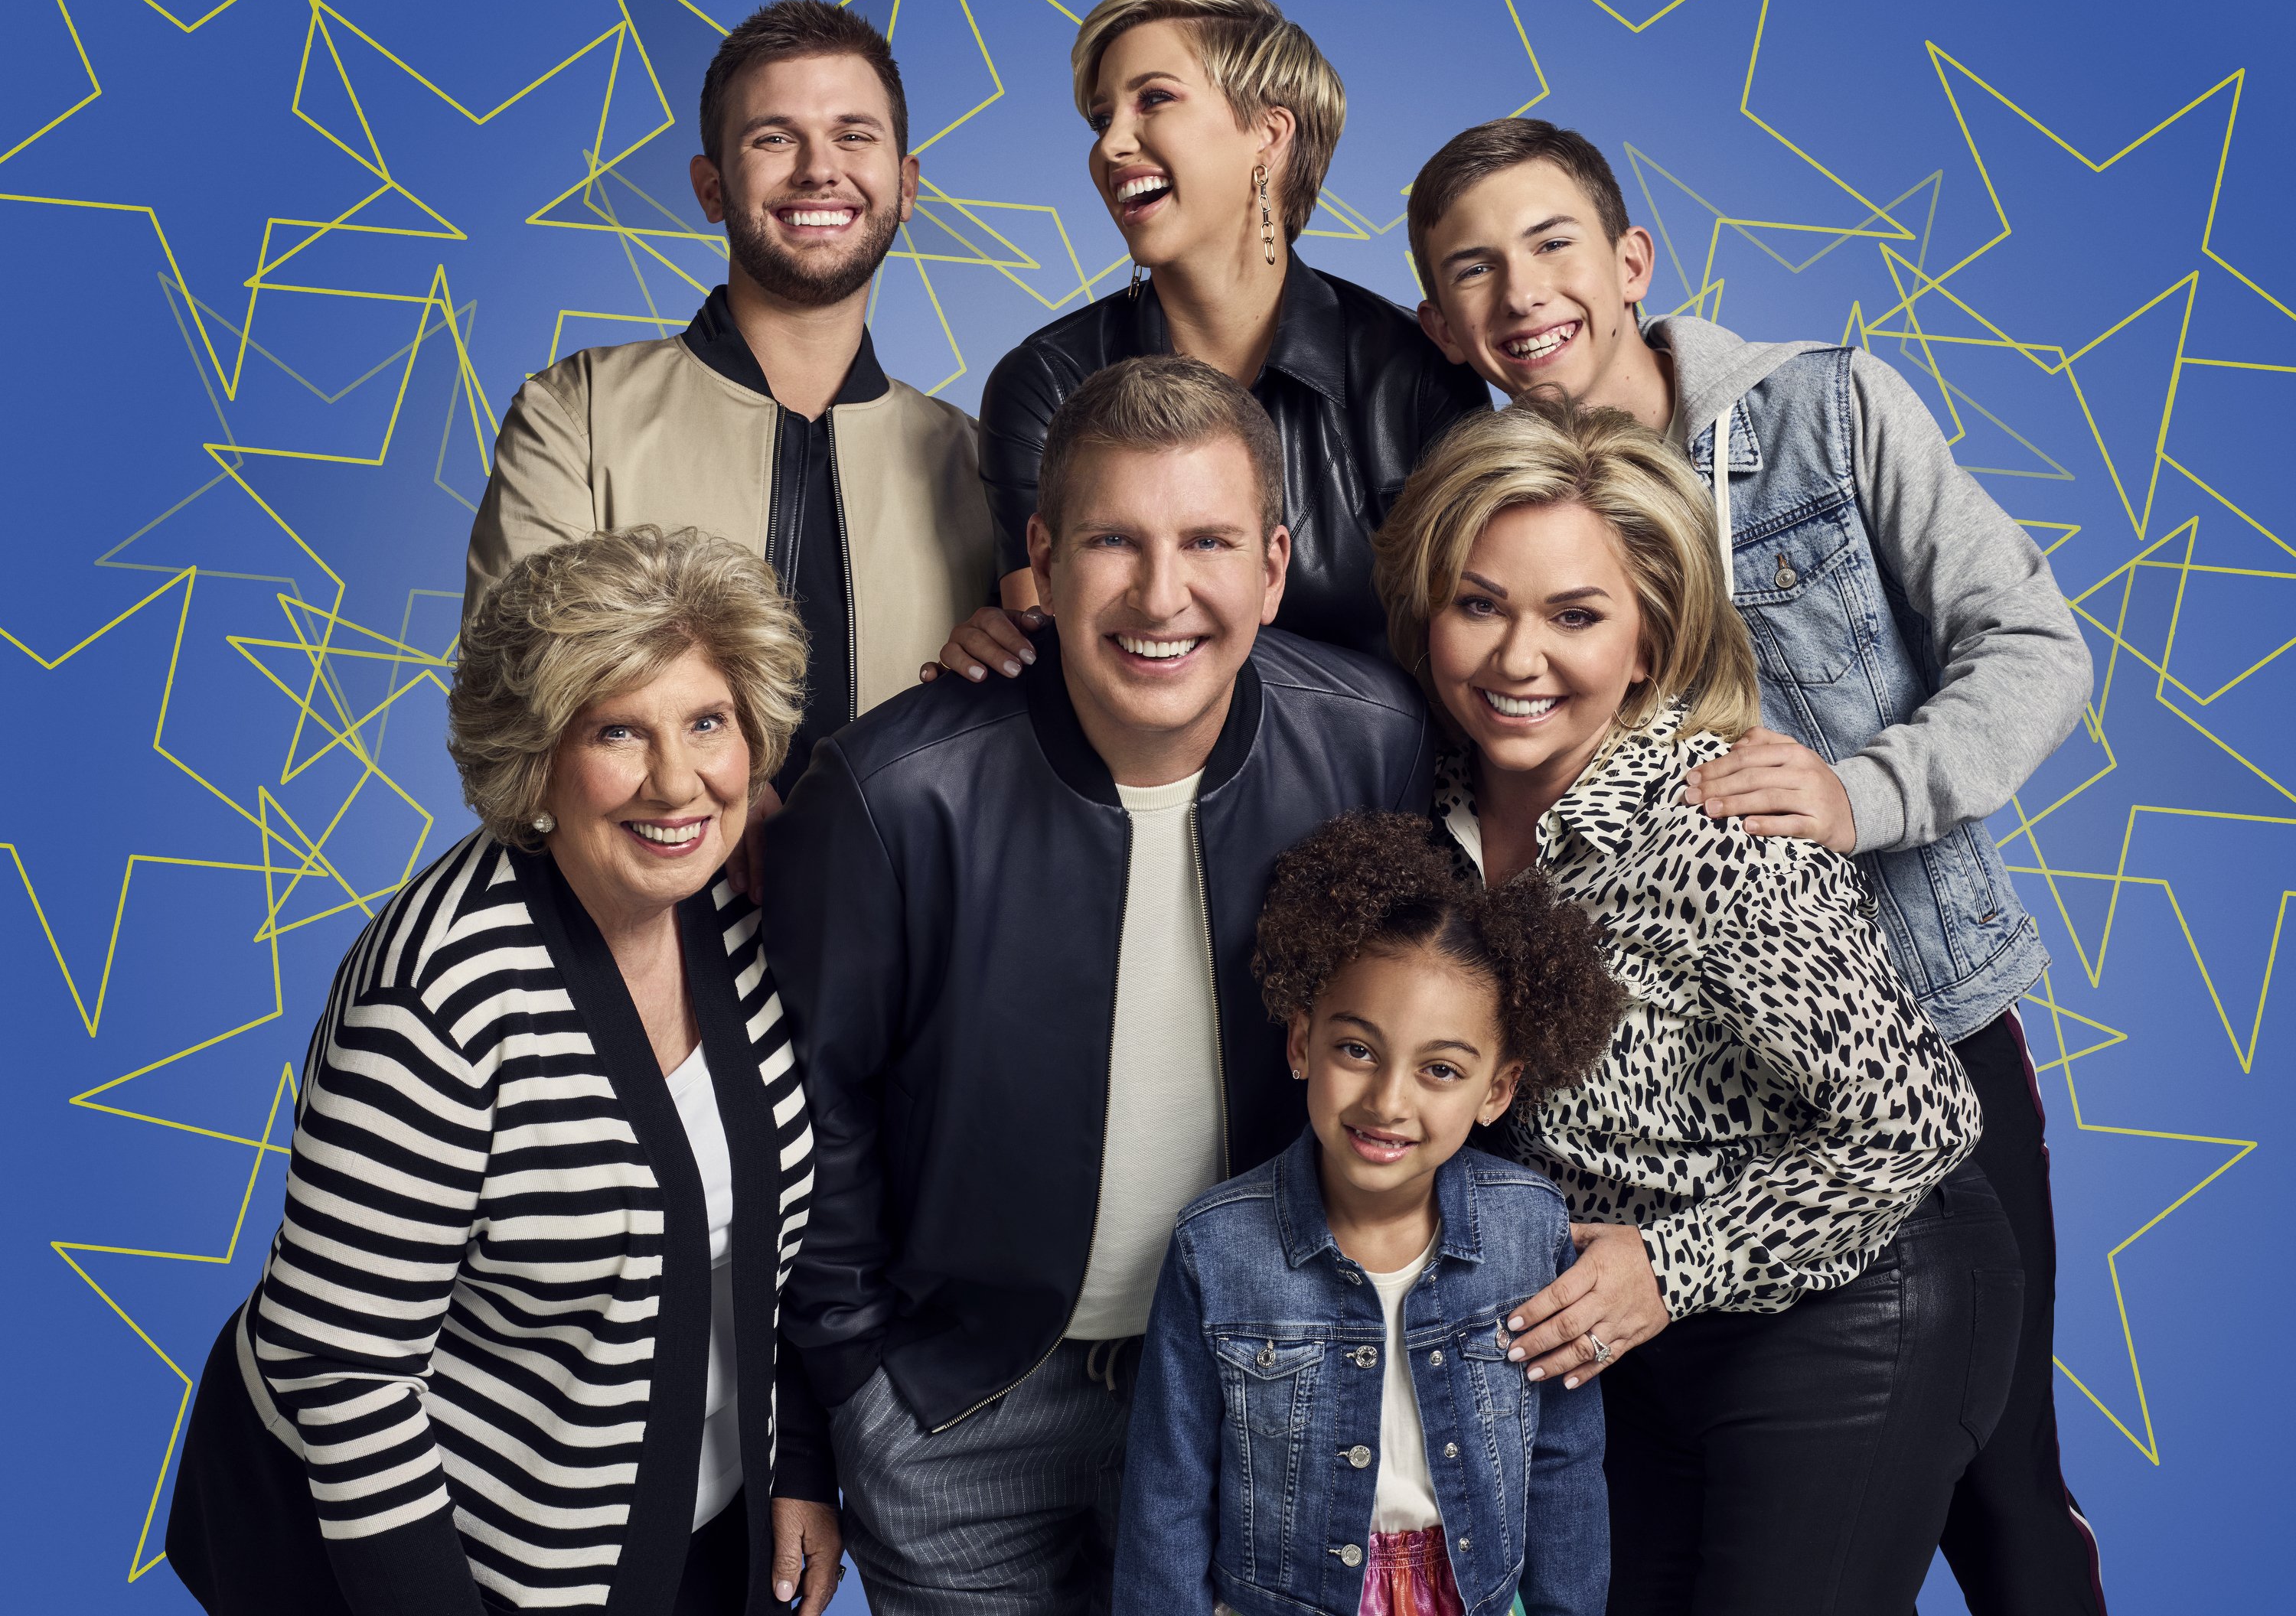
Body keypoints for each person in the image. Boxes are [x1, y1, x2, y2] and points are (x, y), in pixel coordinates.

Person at [1407, 116, 2103, 1615]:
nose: (1522, 292)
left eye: (1551, 245)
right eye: (1473, 268)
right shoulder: (1489, 511)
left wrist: (1862, 794)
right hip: (1681, 1114)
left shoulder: (1821, 415)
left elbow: (2039, 645)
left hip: (1909, 1026)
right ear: (1436, 319)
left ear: (1630, 261)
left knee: (1998, 1477)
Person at [760, 356, 1437, 1614]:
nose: (1160, 592)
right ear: (1044, 559)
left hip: (1254, 1376)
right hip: (959, 1405)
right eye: (1114, 541)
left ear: (1275, 567)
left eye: (1208, 541)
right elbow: (814, 1117)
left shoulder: (1368, 737)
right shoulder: (891, 793)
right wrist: (835, 1403)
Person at [1371, 402, 2023, 1614]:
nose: (1519, 659)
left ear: (1650, 640)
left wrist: (1674, 1264)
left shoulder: (1710, 828)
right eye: (1480, 604)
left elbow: (1919, 1120)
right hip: (1644, 1326)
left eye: (1575, 616)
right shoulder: (1435, 815)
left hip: (1856, 1299)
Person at [166, 528, 841, 1615]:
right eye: (619, 730)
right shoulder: (439, 999)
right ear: (537, 758)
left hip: (692, 1522)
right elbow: (343, 1374)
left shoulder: (733, 909)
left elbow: (760, 1248)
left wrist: (797, 1466)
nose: (678, 780)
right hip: (439, 1557)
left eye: (707, 722)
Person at [465, 0, 993, 838]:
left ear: (907, 184)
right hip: (635, 931)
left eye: (854, 135)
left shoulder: (974, 461)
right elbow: (514, 683)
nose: (820, 168)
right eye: (773, 138)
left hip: (908, 947)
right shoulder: (576, 413)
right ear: (712, 188)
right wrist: (727, 792)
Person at [1116, 812, 1619, 1616]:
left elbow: (1563, 1465)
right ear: (1301, 1041)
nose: (1389, 1101)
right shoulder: (1214, 1249)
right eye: (1357, 1049)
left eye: (1441, 1069)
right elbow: (1167, 1498)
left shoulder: (1531, 1232)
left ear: (1498, 1088)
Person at [930, 0, 1489, 686]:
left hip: (1389, 787)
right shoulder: (1045, 382)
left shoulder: (1413, 373)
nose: (1111, 146)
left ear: (1270, 131)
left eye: (1154, 99)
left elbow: (1477, 642)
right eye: (1102, 120)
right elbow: (1076, 670)